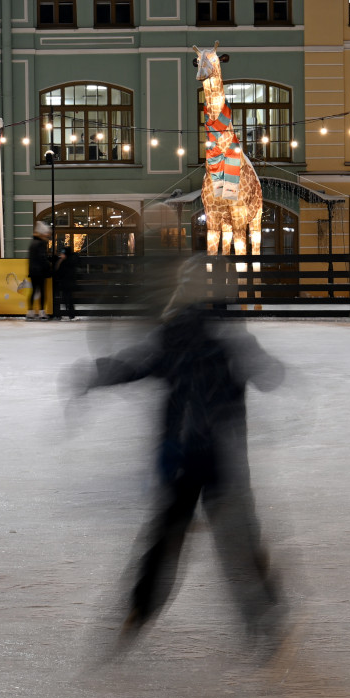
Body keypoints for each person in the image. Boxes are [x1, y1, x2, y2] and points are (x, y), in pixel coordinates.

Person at [76, 263, 289, 660]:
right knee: (232, 540)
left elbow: (134, 364)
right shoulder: (223, 335)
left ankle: (140, 610)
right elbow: (268, 376)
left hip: (183, 458)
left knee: (169, 539)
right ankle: (264, 613)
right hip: (218, 460)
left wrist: (97, 374)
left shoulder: (184, 334)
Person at [26, 224, 54, 319]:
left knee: (33, 291)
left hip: (33, 271)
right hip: (40, 271)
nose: (47, 236)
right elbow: (42, 257)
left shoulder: (32, 243)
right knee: (42, 291)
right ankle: (42, 312)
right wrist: (48, 266)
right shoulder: (41, 243)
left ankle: (30, 312)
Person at [53, 241, 81, 320]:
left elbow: (58, 271)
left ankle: (70, 314)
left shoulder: (65, 262)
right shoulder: (70, 259)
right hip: (68, 283)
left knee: (67, 299)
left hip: (67, 283)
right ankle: (70, 314)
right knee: (67, 298)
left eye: (63, 254)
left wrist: (59, 261)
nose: (61, 255)